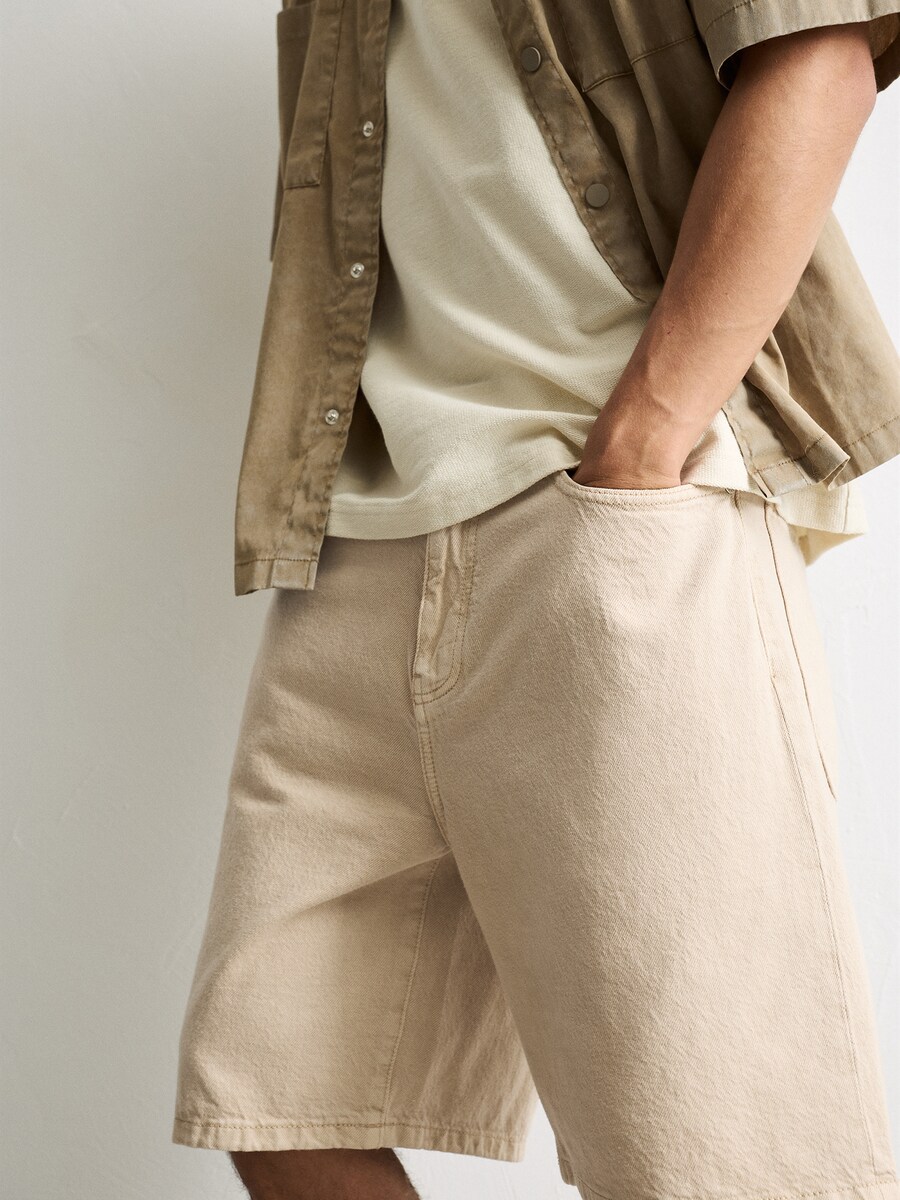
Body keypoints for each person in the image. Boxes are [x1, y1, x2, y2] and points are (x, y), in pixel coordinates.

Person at [172, 1, 900, 1197]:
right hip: (363, 530)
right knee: (277, 1092)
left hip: (610, 517)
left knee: (707, 1151)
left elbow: (820, 59)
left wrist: (648, 438)